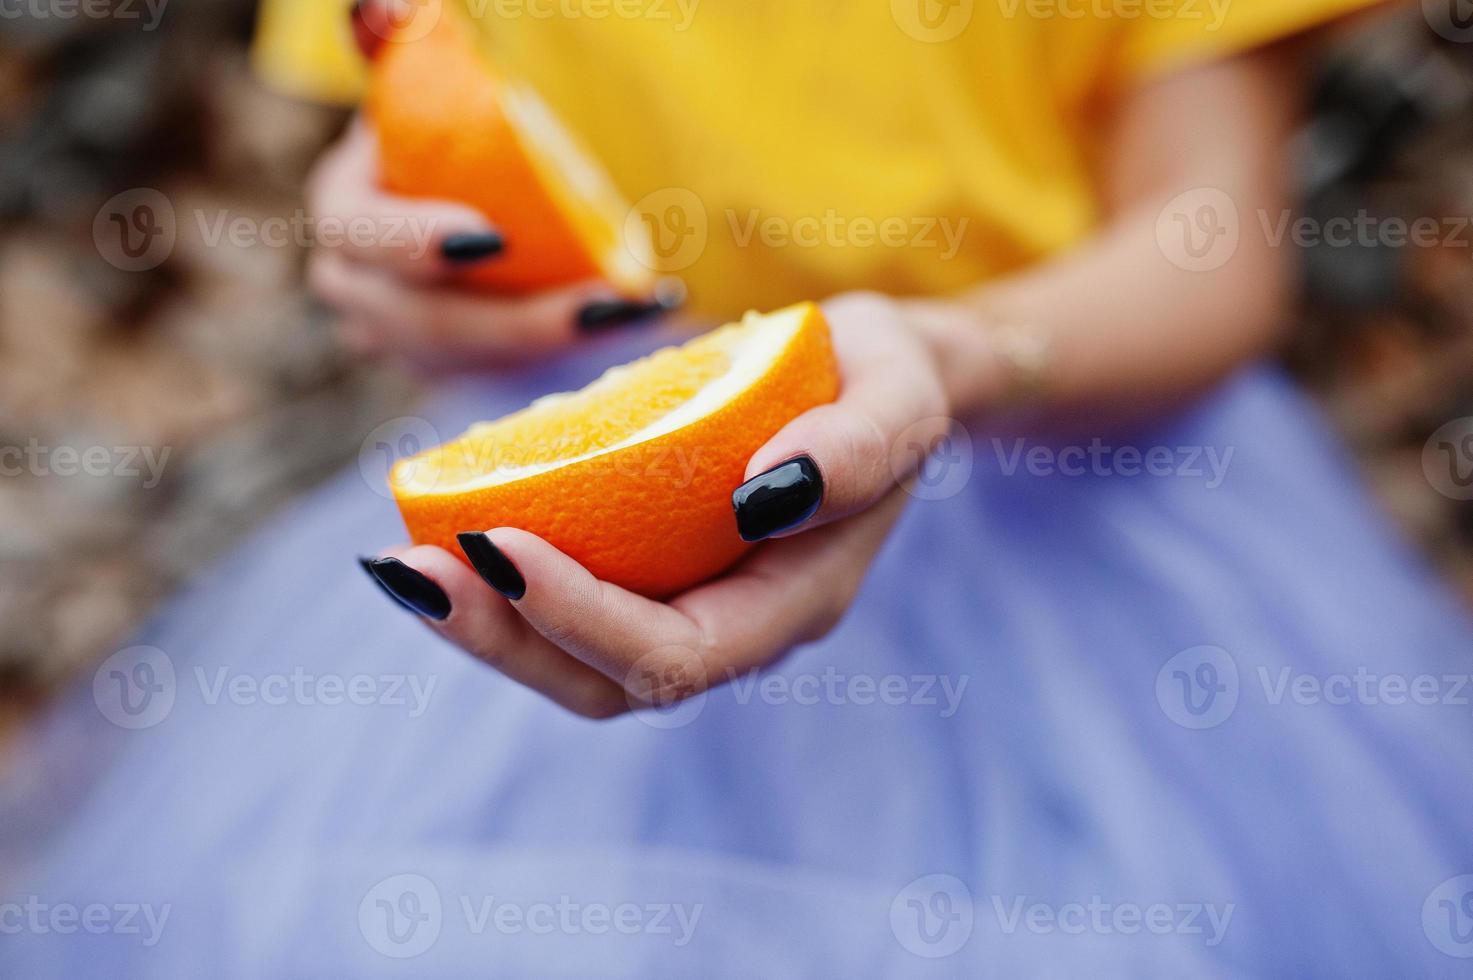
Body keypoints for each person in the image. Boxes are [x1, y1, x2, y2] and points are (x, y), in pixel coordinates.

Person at [4, 0, 1472, 975]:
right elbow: (422, 133)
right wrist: (388, 239)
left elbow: (1208, 242)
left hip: (1064, 494)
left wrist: (955, 352)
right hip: (599, 470)